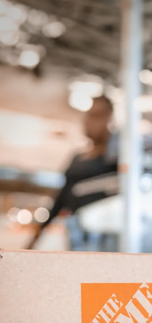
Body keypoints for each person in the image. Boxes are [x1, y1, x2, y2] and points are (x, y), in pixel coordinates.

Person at [27, 95, 118, 250]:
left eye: (95, 116)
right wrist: (38, 234)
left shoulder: (116, 158)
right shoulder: (78, 158)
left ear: (108, 118)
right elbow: (61, 198)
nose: (87, 122)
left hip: (106, 237)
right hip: (78, 233)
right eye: (87, 116)